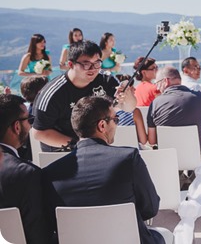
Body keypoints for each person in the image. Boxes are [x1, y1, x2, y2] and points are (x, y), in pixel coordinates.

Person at [42, 96, 167, 244]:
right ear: (102, 125)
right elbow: (150, 209)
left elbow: (51, 223)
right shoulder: (128, 158)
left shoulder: (50, 173)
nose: (116, 124)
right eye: (116, 120)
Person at [31, 40, 136, 152]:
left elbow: (129, 108)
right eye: (86, 64)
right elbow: (39, 132)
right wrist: (79, 145)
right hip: (63, 152)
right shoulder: (53, 93)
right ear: (71, 64)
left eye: (97, 63)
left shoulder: (106, 80)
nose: (92, 69)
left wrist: (127, 96)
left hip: (98, 148)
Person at [0, 94, 52, 244]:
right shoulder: (26, 173)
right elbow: (38, 233)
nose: (30, 125)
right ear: (17, 127)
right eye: (29, 120)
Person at [147, 66, 201, 163]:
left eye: (157, 83)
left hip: (167, 159)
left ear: (165, 81)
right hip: (196, 156)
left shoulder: (155, 103)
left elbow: (152, 140)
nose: (157, 87)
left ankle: (182, 177)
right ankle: (192, 176)